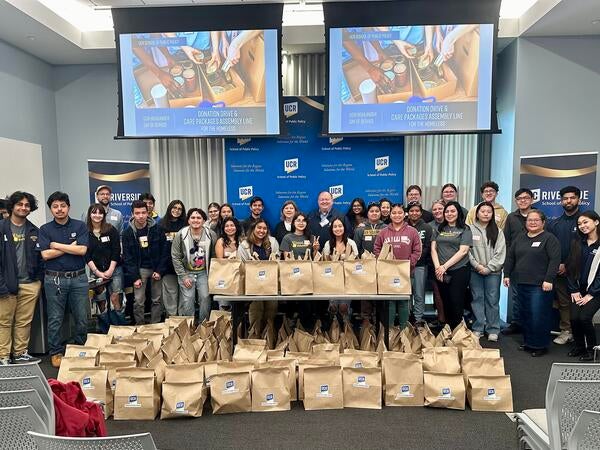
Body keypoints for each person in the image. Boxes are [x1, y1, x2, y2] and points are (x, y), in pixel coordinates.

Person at [38, 192, 89, 368]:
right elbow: (45, 255)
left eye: (62, 205)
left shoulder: (80, 225)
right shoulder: (45, 229)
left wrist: (57, 245)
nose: (59, 209)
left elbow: (82, 250)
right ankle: (56, 352)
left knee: (82, 317)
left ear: (68, 206)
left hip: (79, 278)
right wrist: (71, 247)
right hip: (54, 280)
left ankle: (79, 349)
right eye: (55, 206)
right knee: (55, 318)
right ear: (51, 209)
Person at [503, 210, 560, 357]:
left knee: (538, 315)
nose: (532, 223)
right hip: (520, 282)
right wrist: (507, 274)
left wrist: (549, 279)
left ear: (543, 222)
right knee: (526, 314)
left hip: (540, 285)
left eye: (536, 220)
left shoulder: (549, 238)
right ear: (526, 222)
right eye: (530, 220)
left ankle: (540, 345)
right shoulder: (520, 238)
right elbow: (510, 257)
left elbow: (554, 261)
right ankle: (529, 342)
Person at [0, 191, 43, 365]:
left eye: (27, 205)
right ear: (12, 206)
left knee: (24, 321)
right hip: (6, 284)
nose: (23, 207)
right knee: (4, 321)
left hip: (29, 283)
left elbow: (40, 257)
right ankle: (3, 356)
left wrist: (37, 280)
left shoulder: (34, 230)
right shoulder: (1, 227)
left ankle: (19, 353)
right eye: (20, 204)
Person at [374, 203, 422, 327]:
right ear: (390, 214)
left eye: (400, 213)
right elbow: (377, 249)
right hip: (387, 273)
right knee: (389, 302)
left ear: (404, 214)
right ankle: (389, 333)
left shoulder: (412, 231)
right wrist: (384, 263)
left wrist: (408, 265)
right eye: (394, 213)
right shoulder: (383, 232)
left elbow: (417, 251)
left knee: (403, 302)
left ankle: (403, 331)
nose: (397, 215)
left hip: (405, 272)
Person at [547, 186, 582, 345]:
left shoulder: (584, 221)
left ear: (578, 200)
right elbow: (551, 248)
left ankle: (581, 333)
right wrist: (558, 265)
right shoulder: (555, 224)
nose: (569, 201)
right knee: (564, 302)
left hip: (581, 271)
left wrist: (568, 265)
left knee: (581, 301)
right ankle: (566, 331)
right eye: (565, 198)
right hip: (560, 271)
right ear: (561, 201)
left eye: (572, 198)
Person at [431, 201, 473, 329]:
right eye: (447, 211)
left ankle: (458, 332)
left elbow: (463, 251)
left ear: (458, 213)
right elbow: (433, 249)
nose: (449, 214)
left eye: (452, 211)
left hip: (459, 270)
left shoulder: (465, 229)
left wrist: (445, 267)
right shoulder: (439, 229)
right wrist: (438, 267)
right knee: (445, 301)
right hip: (441, 271)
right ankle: (448, 330)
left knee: (456, 301)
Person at [468, 202, 506, 342]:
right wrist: (477, 266)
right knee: (477, 299)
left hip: (493, 272)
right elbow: (467, 251)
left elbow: (500, 252)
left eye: (488, 211)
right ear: (477, 213)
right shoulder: (469, 229)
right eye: (482, 211)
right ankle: (478, 327)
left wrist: (489, 267)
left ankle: (493, 329)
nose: (485, 213)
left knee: (492, 300)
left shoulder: (498, 231)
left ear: (492, 214)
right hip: (475, 270)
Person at [122, 200, 164, 325]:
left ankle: (155, 325)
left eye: (143, 213)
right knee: (139, 300)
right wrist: (135, 277)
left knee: (157, 299)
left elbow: (164, 251)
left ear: (148, 213)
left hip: (156, 268)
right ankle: (140, 326)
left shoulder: (157, 229)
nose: (141, 216)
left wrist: (159, 270)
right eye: (137, 213)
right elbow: (127, 257)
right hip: (140, 269)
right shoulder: (127, 233)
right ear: (132, 214)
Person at [565, 211, 600, 361]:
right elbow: (570, 268)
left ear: (596, 222)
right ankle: (579, 347)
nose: (582, 226)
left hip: (596, 292)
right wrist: (573, 290)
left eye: (585, 222)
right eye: (579, 224)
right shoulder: (577, 243)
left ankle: (592, 351)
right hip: (578, 290)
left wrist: (591, 294)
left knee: (584, 318)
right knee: (574, 318)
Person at [171, 208, 215, 322]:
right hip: (187, 272)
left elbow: (214, 255)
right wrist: (183, 276)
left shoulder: (211, 234)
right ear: (188, 220)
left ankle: (203, 325)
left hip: (203, 273)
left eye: (199, 218)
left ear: (204, 220)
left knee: (205, 297)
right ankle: (189, 327)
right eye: (193, 217)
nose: (196, 220)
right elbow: (175, 256)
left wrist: (212, 274)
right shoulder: (181, 234)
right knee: (188, 299)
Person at [238, 219, 280, 333]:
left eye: (264, 228)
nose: (262, 231)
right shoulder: (244, 245)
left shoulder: (273, 242)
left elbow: (278, 262)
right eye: (259, 228)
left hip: (270, 283)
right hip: (253, 284)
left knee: (272, 307)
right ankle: (255, 334)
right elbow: (241, 266)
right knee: (257, 306)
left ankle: (268, 334)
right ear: (253, 229)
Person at [502, 188, 534, 336]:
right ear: (516, 201)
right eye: (519, 198)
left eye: (526, 198)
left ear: (532, 199)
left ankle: (530, 324)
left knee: (532, 296)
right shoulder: (511, 217)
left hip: (535, 263)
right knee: (516, 295)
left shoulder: (538, 216)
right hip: (515, 263)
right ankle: (516, 323)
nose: (523, 200)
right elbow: (506, 241)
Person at [84, 203, 123, 316]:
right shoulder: (85, 232)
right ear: (89, 215)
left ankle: (119, 328)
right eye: (94, 212)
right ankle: (105, 329)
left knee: (116, 299)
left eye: (100, 213)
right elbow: (86, 254)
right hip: (95, 271)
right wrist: (97, 272)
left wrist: (110, 270)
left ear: (104, 215)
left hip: (115, 270)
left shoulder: (111, 229)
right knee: (101, 302)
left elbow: (116, 250)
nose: (97, 215)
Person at [323, 217, 359, 319]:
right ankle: (333, 326)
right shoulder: (328, 244)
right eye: (335, 226)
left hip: (348, 280)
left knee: (343, 307)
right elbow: (325, 263)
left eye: (340, 226)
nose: (337, 229)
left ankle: (346, 326)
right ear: (331, 229)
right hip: (332, 280)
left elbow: (356, 261)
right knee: (333, 307)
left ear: (344, 228)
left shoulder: (351, 243)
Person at [158, 200, 186, 317]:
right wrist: (159, 269)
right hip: (167, 267)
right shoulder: (161, 225)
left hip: (183, 266)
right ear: (170, 208)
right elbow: (158, 248)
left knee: (184, 295)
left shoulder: (186, 225)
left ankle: (183, 321)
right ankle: (172, 319)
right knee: (171, 295)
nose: (176, 210)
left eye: (180, 209)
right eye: (174, 207)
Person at [406, 202, 433, 324]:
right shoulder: (404, 226)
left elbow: (427, 247)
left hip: (420, 265)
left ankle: (418, 318)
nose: (414, 213)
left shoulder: (427, 228)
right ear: (408, 213)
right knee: (406, 293)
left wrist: (415, 259)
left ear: (421, 213)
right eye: (411, 211)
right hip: (404, 266)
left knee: (419, 293)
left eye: (417, 211)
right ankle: (406, 318)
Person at [428, 199, 446, 325]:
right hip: (434, 264)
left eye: (440, 208)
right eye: (435, 209)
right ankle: (441, 319)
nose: (437, 211)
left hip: (452, 265)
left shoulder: (453, 225)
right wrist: (437, 266)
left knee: (451, 294)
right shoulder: (429, 226)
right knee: (438, 293)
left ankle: (453, 321)